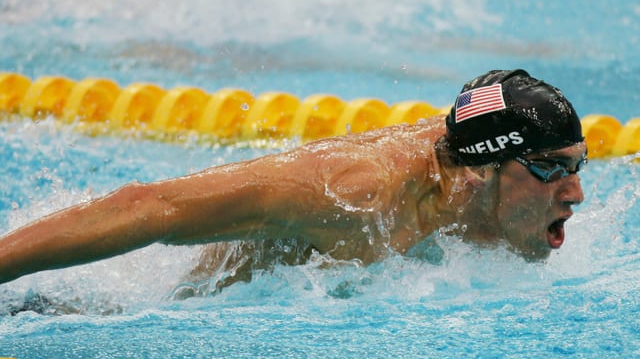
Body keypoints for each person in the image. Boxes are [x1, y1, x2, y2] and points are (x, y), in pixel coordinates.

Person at [0, 69, 587, 291]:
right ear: (486, 169)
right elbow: (149, 205)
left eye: (577, 166)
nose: (576, 193)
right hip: (203, 314)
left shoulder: (472, 168)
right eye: (552, 170)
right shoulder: (356, 193)